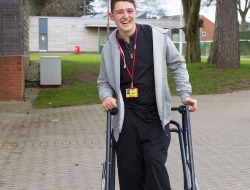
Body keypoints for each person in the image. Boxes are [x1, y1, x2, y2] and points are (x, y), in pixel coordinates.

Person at [97, 0, 197, 189]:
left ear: (136, 12)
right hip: (126, 117)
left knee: (154, 161)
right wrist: (106, 96)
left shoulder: (155, 36)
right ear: (111, 16)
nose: (125, 16)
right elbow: (103, 82)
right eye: (119, 12)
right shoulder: (109, 49)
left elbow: (177, 64)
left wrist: (185, 94)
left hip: (155, 115)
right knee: (130, 171)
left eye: (129, 11)